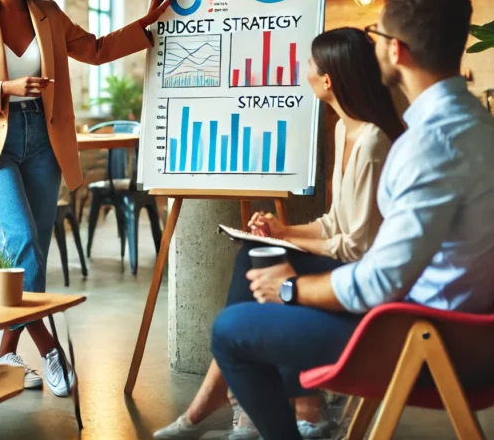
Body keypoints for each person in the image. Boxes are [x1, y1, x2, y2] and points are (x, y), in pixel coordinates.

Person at [209, 0, 494, 440]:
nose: (372, 44)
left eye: (376, 35)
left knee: (232, 330)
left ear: (396, 51)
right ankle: (292, 408)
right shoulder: (479, 124)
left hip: (421, 331)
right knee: (262, 285)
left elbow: (380, 280)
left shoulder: (430, 144)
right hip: (455, 321)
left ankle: (287, 417)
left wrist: (294, 289)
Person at [0, 0, 182, 396]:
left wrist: (148, 20)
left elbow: (95, 49)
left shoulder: (48, 15)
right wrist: (7, 88)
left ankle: (7, 351)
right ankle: (50, 349)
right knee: (23, 246)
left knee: (33, 251)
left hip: (45, 140)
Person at [154, 28, 405, 440]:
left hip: (359, 276)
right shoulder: (344, 130)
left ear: (328, 80)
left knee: (260, 270)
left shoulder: (373, 142)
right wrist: (282, 230)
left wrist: (287, 243)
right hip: (346, 259)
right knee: (254, 254)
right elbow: (334, 222)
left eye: (310, 64)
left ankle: (222, 400)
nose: (303, 70)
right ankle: (267, 402)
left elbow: (357, 245)